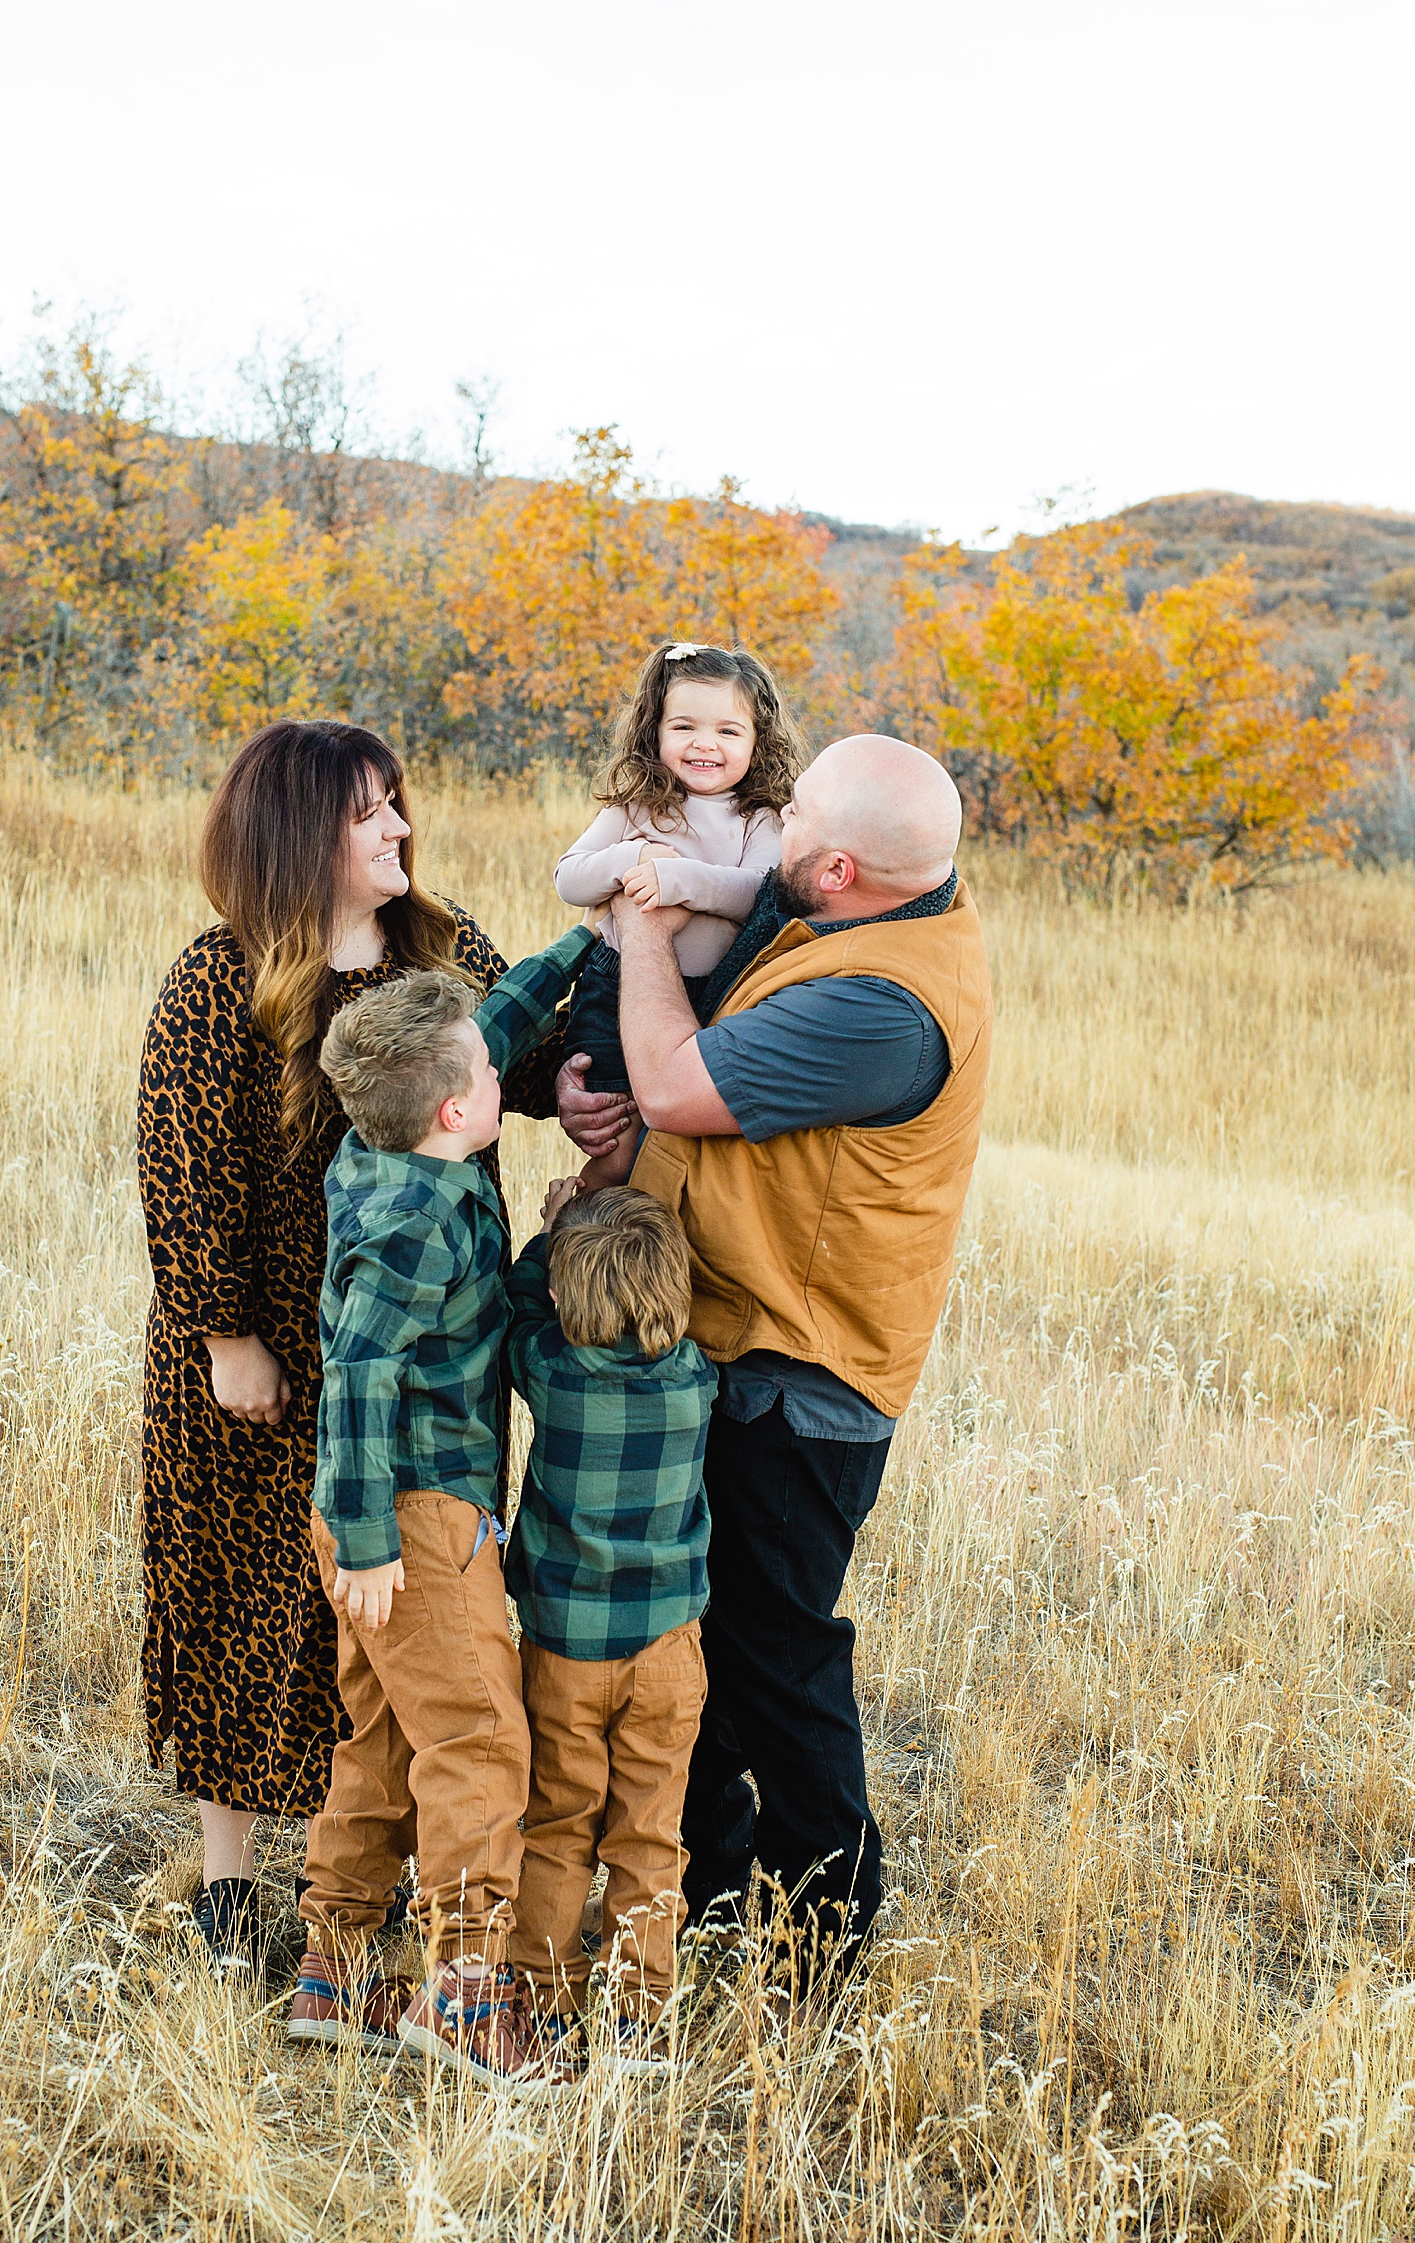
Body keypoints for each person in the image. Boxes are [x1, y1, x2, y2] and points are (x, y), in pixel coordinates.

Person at [555, 733, 992, 1977]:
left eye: (792, 815)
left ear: (841, 867)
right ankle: (702, 1894)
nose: (771, 823)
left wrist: (644, 919)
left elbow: (681, 1084)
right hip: (747, 1337)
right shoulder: (878, 918)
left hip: (802, 1376)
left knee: (771, 1652)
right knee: (710, 1643)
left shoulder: (881, 1002)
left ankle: (822, 1938)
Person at [137, 720, 564, 1971]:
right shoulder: (218, 980)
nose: (398, 829)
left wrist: (580, 1085)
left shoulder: (439, 946)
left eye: (397, 805)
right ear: (298, 835)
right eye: (369, 812)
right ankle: (229, 1881)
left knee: (385, 1626)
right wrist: (226, 1335)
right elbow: (181, 1168)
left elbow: (519, 1054)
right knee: (243, 1595)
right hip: (257, 1351)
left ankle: (360, 1893)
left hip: (418, 1353)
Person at [288, 934, 595, 2090]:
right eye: (487, 1074)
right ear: (466, 1111)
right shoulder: (416, 1220)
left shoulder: (394, 1139)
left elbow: (490, 1032)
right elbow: (361, 1370)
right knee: (477, 1738)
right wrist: (369, 1538)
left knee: (382, 1734)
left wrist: (583, 943)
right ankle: (467, 1991)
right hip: (409, 1515)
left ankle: (341, 1964)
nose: (502, 1070)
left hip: (381, 1511)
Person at [503, 1182, 716, 2058]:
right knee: (648, 1832)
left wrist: (548, 1234)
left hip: (565, 1651)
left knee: (557, 1824)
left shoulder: (551, 1372)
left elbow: (517, 1308)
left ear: (564, 1295)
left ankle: (548, 2003)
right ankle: (639, 2018)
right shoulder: (697, 1378)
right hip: (669, 1653)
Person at [552, 641, 795, 1182]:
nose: (704, 745)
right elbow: (569, 876)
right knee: (615, 1139)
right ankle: (573, 1236)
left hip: (715, 997)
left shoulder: (760, 818)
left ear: (759, 741)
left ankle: (641, 1247)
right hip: (613, 989)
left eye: (728, 732)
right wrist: (637, 856)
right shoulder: (636, 804)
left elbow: (760, 893)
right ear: (654, 732)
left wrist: (681, 880)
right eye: (684, 727)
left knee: (676, 1144)